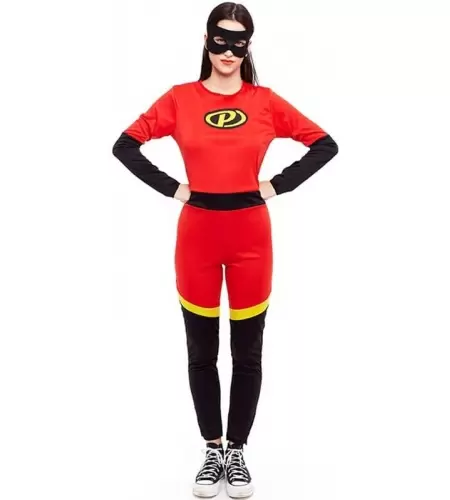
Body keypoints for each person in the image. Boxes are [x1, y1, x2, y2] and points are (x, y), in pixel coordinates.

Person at [112, 2, 338, 498]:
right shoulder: (179, 99)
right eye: (221, 39)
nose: (229, 51)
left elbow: (324, 144)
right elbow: (125, 145)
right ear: (206, 40)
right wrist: (173, 188)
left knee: (247, 352)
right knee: (201, 352)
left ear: (248, 46)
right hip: (196, 239)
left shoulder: (265, 102)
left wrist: (276, 184)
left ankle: (237, 450)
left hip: (251, 241)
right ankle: (211, 448)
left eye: (239, 41)